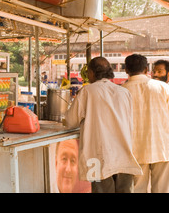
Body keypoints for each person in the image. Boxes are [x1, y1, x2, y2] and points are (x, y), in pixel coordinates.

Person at [65, 57, 142, 193]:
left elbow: (70, 122)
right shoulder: (124, 92)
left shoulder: (88, 91)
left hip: (98, 158)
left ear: (92, 73)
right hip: (124, 156)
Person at [122, 54, 169, 193]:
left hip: (135, 149)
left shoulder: (121, 91)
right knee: (162, 189)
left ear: (126, 70)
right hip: (162, 147)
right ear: (146, 69)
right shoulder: (163, 87)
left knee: (137, 189)